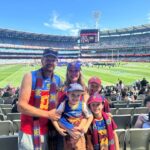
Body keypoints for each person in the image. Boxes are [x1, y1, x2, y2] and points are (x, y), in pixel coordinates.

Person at [18, 48, 62, 150]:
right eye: (47, 59)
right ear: (42, 60)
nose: (50, 62)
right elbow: (21, 106)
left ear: (56, 62)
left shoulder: (57, 80)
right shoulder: (30, 76)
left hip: (48, 130)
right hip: (29, 131)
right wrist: (48, 114)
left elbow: (56, 104)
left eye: (53, 60)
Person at [52, 83, 93, 150]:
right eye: (73, 95)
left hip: (79, 134)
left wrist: (85, 127)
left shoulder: (82, 104)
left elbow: (90, 116)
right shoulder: (64, 104)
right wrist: (58, 129)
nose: (75, 98)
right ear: (68, 94)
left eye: (78, 95)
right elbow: (55, 117)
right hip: (68, 134)